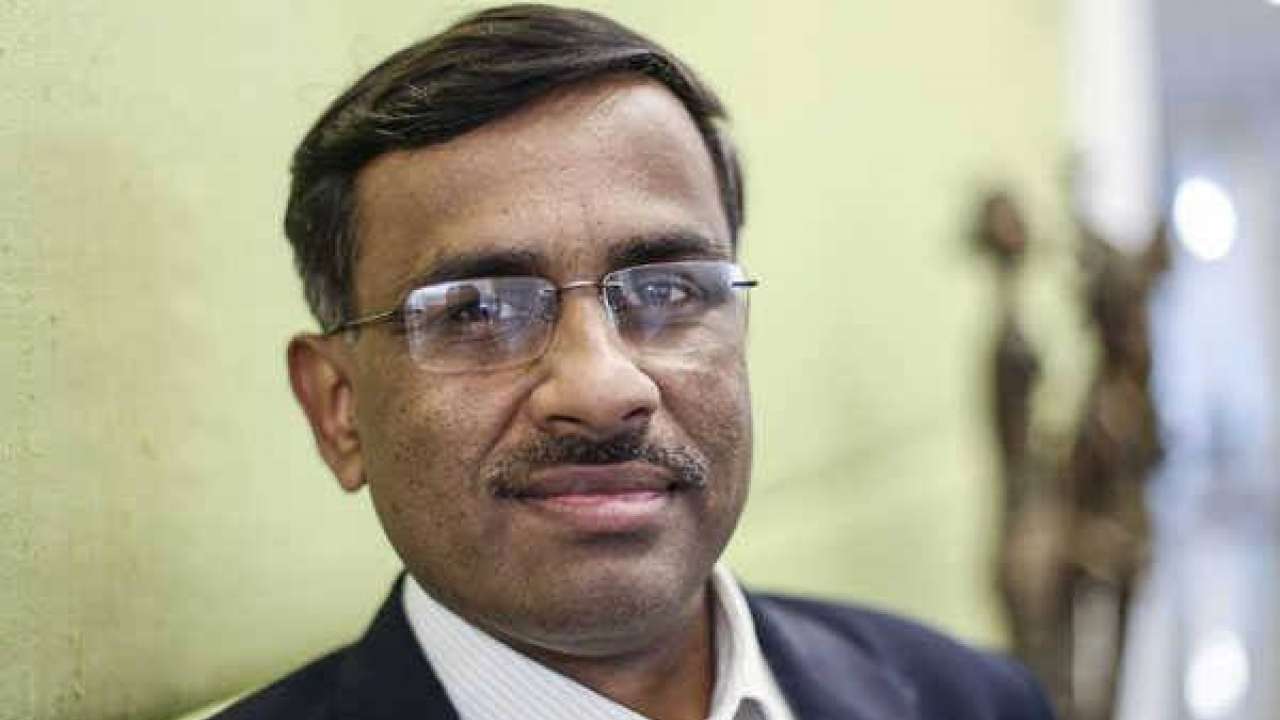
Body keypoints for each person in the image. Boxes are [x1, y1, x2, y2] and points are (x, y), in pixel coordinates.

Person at [216, 5, 1054, 719]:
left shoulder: (970, 698)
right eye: (478, 311)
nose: (603, 386)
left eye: (666, 290)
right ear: (337, 409)